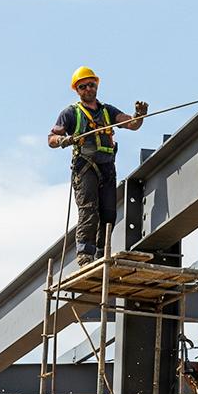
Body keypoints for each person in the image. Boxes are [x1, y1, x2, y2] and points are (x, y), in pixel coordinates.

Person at [48, 67, 147, 266]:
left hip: (107, 167)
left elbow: (131, 124)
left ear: (96, 85)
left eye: (91, 85)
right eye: (82, 86)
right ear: (77, 90)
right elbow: (51, 138)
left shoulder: (107, 112)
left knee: (109, 212)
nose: (88, 89)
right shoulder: (71, 113)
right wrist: (64, 140)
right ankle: (85, 253)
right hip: (85, 167)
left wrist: (140, 114)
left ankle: (103, 253)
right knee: (89, 209)